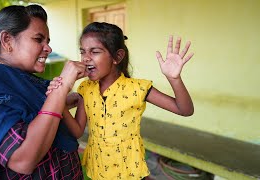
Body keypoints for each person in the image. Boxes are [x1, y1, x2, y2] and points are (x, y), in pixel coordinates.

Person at [0, 4, 86, 180]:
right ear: (7, 40)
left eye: (47, 42)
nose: (48, 48)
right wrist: (62, 86)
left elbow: (29, 111)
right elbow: (22, 159)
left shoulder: (20, 78)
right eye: (38, 39)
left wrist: (65, 101)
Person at [47, 22, 194, 179]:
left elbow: (184, 110)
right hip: (99, 169)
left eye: (94, 52)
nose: (85, 59)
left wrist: (174, 78)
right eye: (83, 52)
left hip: (129, 171)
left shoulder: (138, 88)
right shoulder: (85, 88)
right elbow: (77, 131)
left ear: (117, 57)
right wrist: (59, 101)